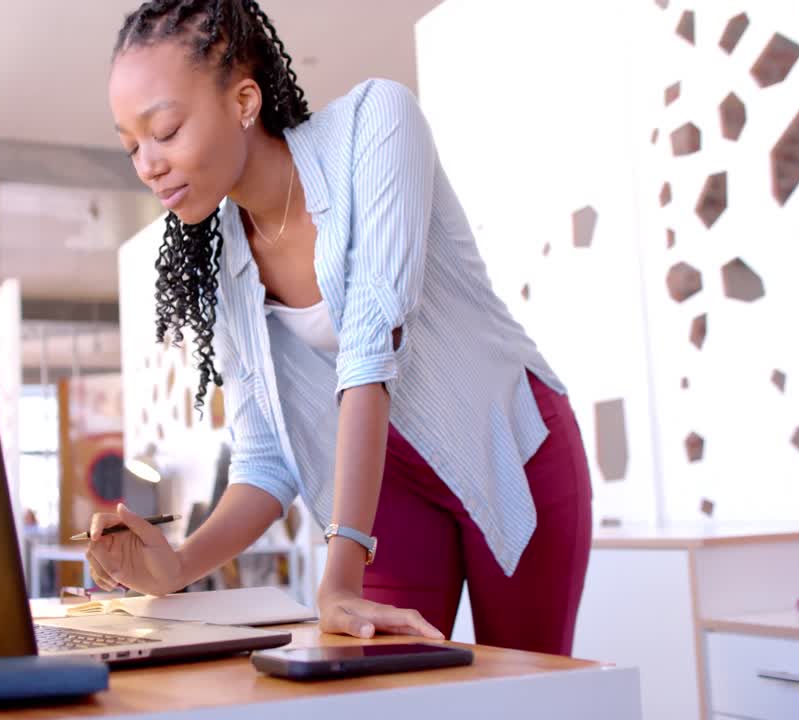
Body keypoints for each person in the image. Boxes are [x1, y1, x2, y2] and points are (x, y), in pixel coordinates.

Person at [89, 0, 593, 654]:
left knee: (532, 695)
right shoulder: (225, 259)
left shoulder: (377, 124)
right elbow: (266, 460)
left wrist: (338, 578)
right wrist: (177, 566)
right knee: (384, 690)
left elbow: (369, 348)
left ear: (244, 100)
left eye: (165, 130)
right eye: (131, 145)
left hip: (508, 451)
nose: (148, 164)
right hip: (388, 490)